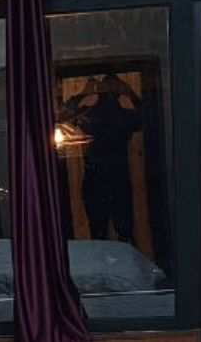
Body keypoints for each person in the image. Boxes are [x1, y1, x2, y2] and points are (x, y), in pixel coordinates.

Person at [60, 74, 144, 242]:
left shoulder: (91, 115)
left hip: (97, 177)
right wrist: (127, 91)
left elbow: (64, 116)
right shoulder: (119, 115)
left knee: (100, 233)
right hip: (116, 177)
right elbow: (144, 116)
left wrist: (83, 94)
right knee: (123, 232)